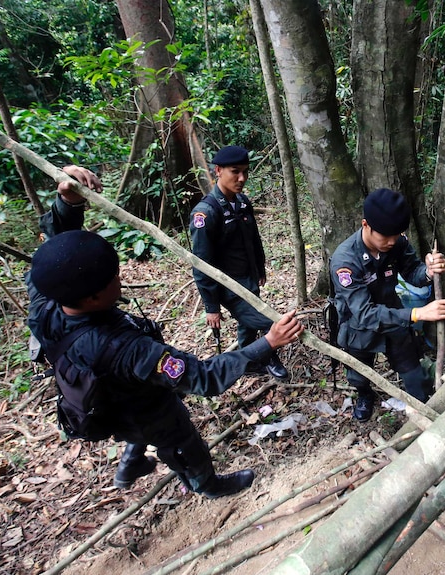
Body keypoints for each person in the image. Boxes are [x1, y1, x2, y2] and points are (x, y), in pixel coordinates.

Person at [27, 166, 304, 498]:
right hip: (142, 406)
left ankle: (133, 457)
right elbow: (204, 378)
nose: (121, 278)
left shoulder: (46, 300)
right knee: (181, 440)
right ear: (92, 297)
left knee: (136, 416)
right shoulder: (127, 349)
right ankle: (206, 484)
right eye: (114, 277)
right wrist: (268, 342)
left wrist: (68, 203)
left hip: (113, 392)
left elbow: (56, 253)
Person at [329, 188, 445, 422]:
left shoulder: (397, 242)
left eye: (396, 235)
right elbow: (364, 314)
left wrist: (428, 271)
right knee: (359, 372)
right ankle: (365, 395)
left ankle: (421, 405)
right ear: (366, 225)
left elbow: (412, 272)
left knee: (412, 369)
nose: (391, 242)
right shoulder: (345, 261)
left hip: (394, 315)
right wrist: (417, 313)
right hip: (359, 325)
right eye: (385, 236)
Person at [189, 146, 288, 380]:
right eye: (235, 172)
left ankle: (249, 361)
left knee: (248, 323)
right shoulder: (206, 212)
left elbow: (253, 239)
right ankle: (266, 355)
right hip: (229, 286)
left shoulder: (242, 202)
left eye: (245, 172)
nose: (242, 178)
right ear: (218, 171)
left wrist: (259, 268)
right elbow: (201, 263)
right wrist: (211, 306)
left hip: (248, 277)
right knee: (267, 321)